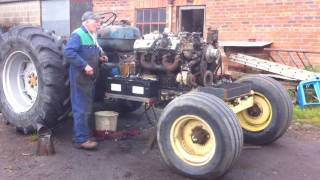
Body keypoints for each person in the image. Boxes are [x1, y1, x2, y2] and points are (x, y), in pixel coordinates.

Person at [64, 11, 107, 150]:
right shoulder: (78, 34)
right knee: (80, 108)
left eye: (99, 21)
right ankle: (80, 140)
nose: (98, 24)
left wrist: (100, 58)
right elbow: (69, 52)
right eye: (96, 21)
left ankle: (84, 135)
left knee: (87, 107)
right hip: (79, 77)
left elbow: (89, 54)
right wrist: (84, 65)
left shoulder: (91, 36)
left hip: (88, 79)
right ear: (86, 22)